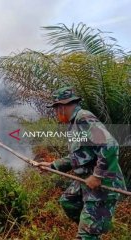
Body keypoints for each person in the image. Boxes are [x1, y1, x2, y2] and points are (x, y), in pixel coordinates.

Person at [37, 86, 126, 240]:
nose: (55, 113)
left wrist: (98, 176)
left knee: (86, 236)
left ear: (62, 107)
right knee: (68, 201)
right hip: (86, 181)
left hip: (103, 184)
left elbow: (110, 145)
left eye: (55, 109)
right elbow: (80, 155)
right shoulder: (73, 124)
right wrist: (52, 165)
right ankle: (91, 227)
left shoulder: (83, 118)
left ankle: (89, 231)